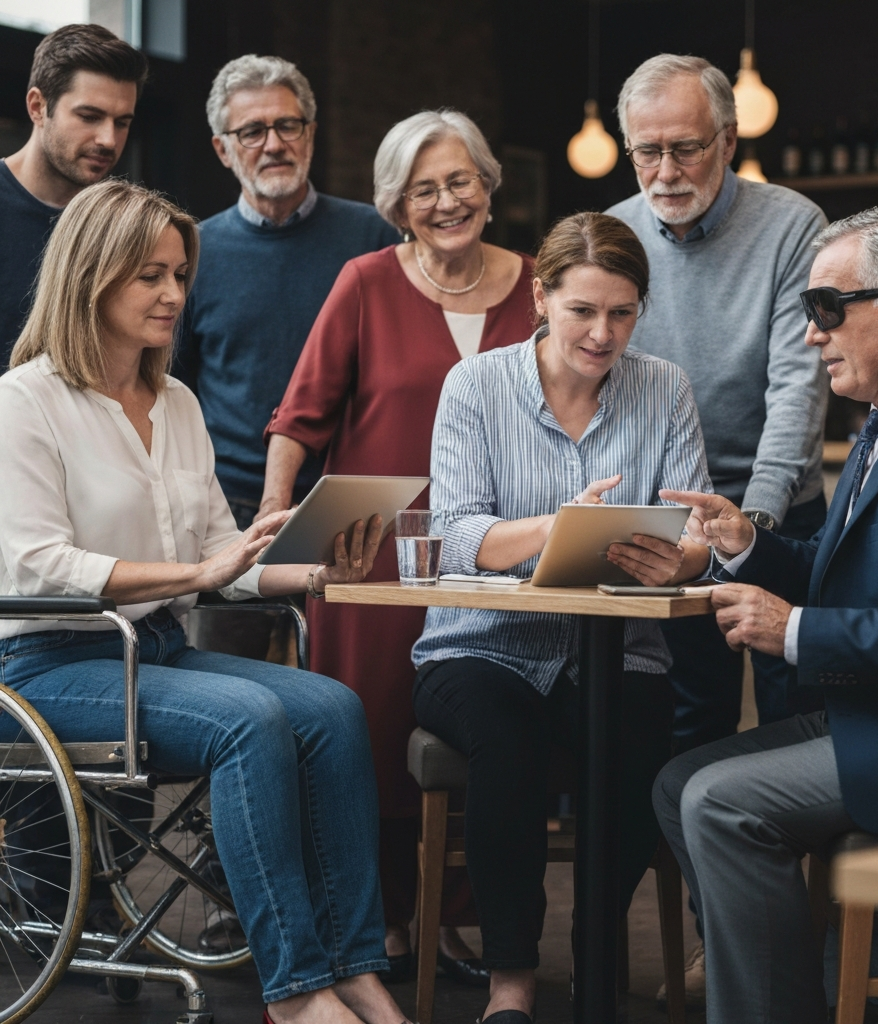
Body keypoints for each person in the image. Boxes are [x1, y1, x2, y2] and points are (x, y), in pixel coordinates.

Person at [0, 178, 413, 1024]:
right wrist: (191, 576)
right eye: (150, 275)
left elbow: (222, 558)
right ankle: (296, 992)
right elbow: (34, 565)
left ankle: (355, 967)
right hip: (47, 666)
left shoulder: (179, 403)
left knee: (333, 707)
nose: (174, 294)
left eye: (180, 275)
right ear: (91, 277)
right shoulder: (24, 402)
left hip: (158, 651)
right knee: (248, 719)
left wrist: (311, 570)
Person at [654, 207, 878, 1024]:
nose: (811, 333)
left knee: (718, 801)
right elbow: (834, 569)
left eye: (826, 307)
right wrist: (747, 544)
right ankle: (861, 1000)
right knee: (678, 782)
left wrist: (791, 630)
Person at [411, 212, 714, 1022]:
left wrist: (682, 560)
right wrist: (559, 526)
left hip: (618, 649)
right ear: (541, 297)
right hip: (477, 647)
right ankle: (510, 980)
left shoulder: (665, 388)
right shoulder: (476, 384)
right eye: (582, 310)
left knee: (639, 742)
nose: (602, 333)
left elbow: (696, 535)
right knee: (506, 739)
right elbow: (457, 536)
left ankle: (594, 963)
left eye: (622, 313)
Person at [260, 110, 535, 984]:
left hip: (495, 555)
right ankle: (379, 923)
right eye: (425, 190)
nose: (447, 201)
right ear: (397, 204)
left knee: (480, 736)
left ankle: (453, 921)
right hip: (375, 555)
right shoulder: (366, 282)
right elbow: (299, 416)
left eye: (461, 181)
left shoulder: (540, 284)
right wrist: (273, 518)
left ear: (488, 185)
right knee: (372, 738)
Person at [605, 54, 830, 758]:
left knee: (797, 719)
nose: (665, 173)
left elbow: (797, 387)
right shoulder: (611, 234)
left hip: (777, 516)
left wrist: (752, 530)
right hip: (669, 521)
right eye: (647, 152)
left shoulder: (794, 225)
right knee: (688, 722)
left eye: (686, 148)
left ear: (728, 141)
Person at [176, 55, 398, 536]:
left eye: (287, 126)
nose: (274, 144)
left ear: (311, 134)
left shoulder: (375, 237)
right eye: (252, 131)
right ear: (222, 149)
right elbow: (173, 385)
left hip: (349, 497)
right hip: (226, 502)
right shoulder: (190, 252)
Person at [1, 23, 147, 366]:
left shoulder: (123, 225)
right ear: (38, 106)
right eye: (90, 116)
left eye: (122, 122)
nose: (108, 139)